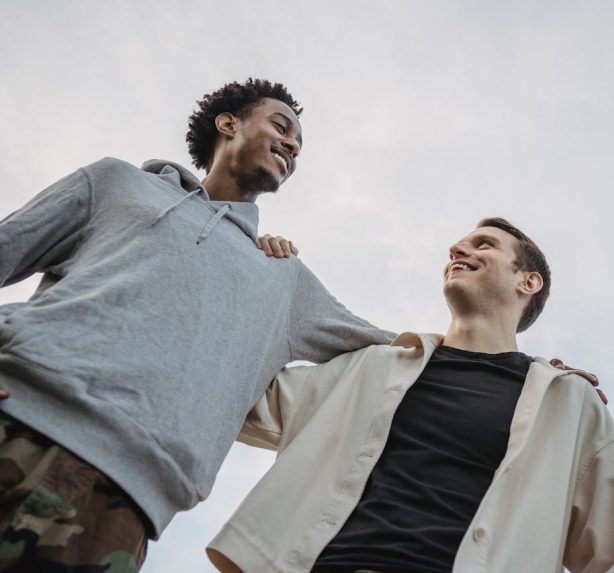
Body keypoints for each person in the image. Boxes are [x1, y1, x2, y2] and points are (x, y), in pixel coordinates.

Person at [0, 79, 393, 572]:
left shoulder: (283, 276)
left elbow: (394, 351)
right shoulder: (114, 182)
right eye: (281, 126)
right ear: (228, 124)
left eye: (299, 145)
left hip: (120, 496)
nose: (292, 145)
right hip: (14, 411)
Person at [208, 217, 614, 573]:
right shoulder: (370, 367)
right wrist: (256, 275)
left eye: (484, 245)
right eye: (457, 246)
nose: (457, 251)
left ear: (527, 282)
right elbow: (228, 385)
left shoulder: (567, 405)